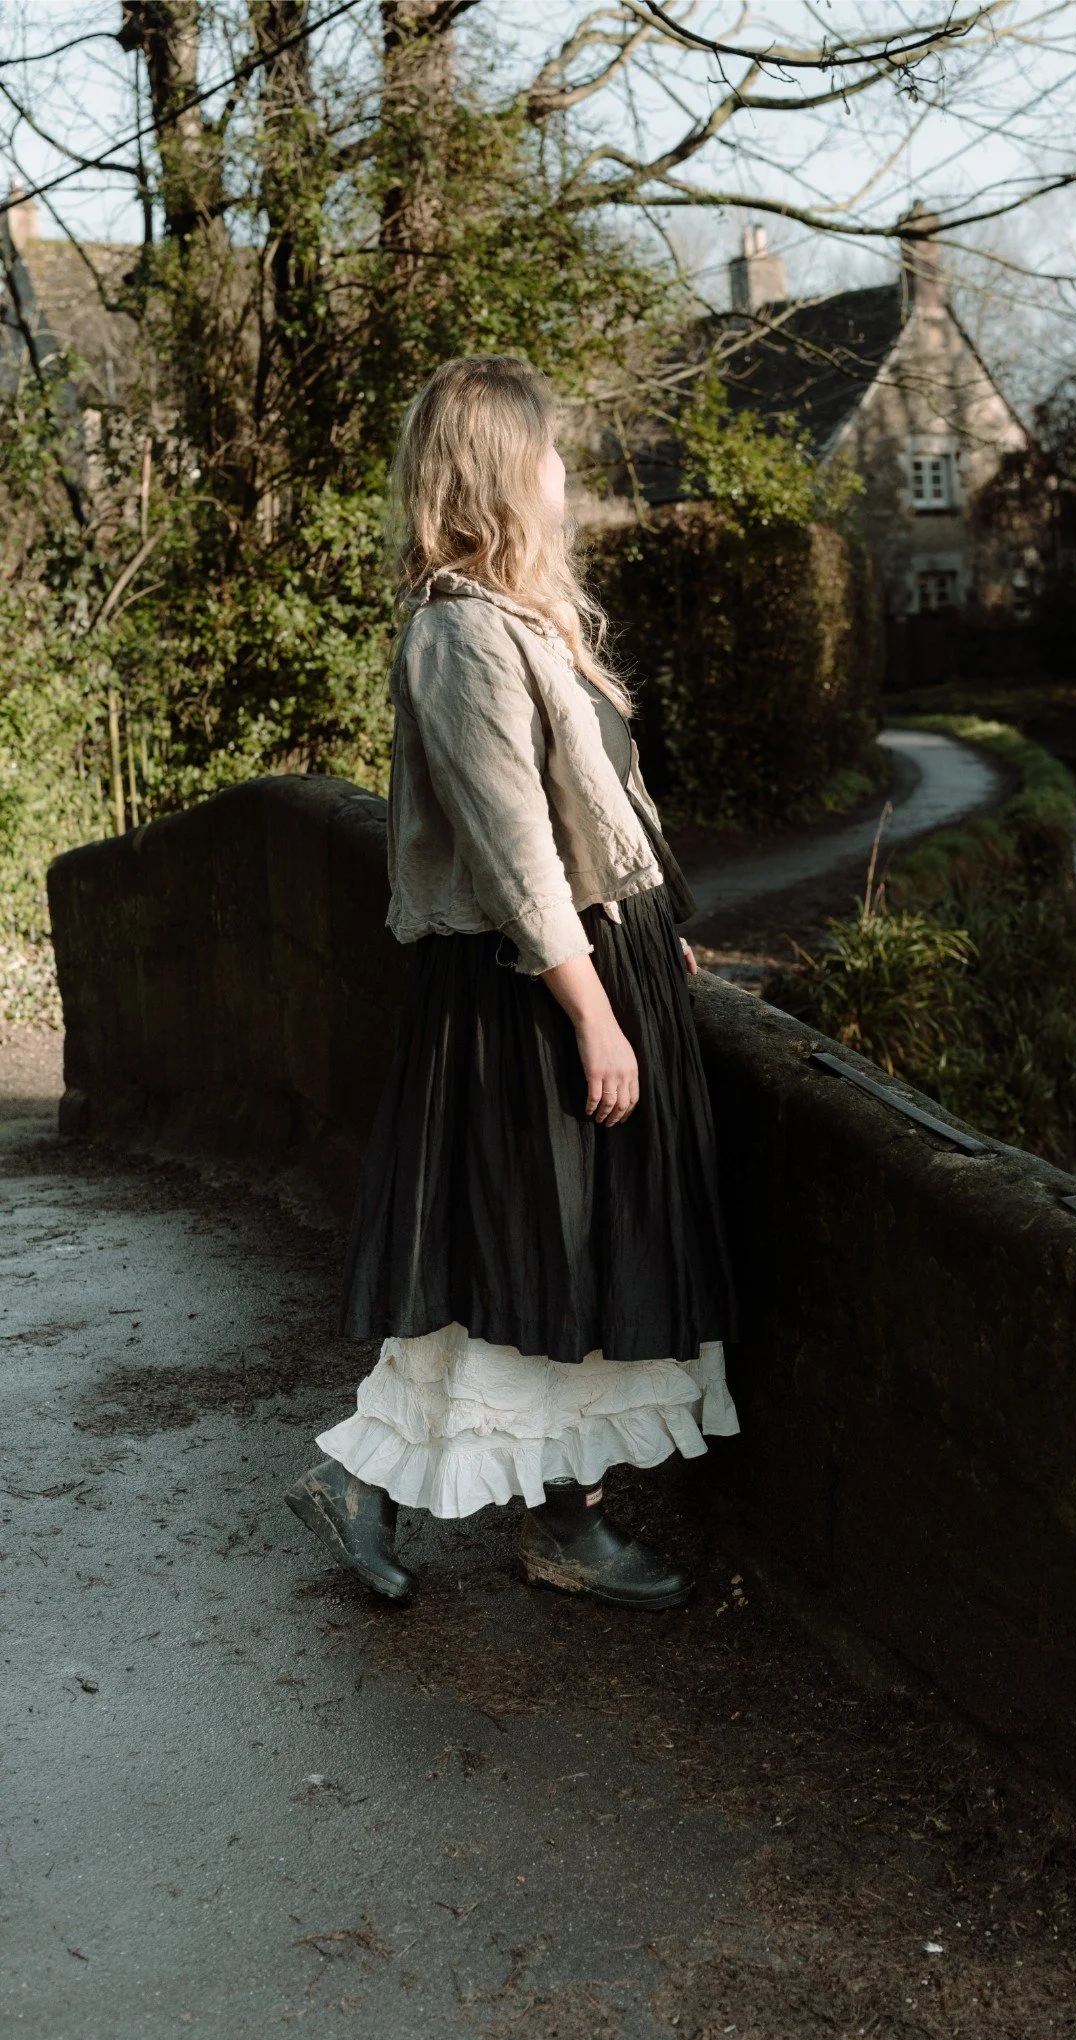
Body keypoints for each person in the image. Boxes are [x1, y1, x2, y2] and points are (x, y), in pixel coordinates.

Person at [286, 355, 739, 1613]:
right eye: (546, 451)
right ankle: (366, 1480)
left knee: (586, 1255)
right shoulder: (457, 634)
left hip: (595, 956)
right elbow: (512, 847)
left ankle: (565, 1519)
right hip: (521, 987)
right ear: (497, 469)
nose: (562, 472)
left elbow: (604, 806)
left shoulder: (533, 619)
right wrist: (593, 1006)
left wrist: (659, 933)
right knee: (518, 1250)